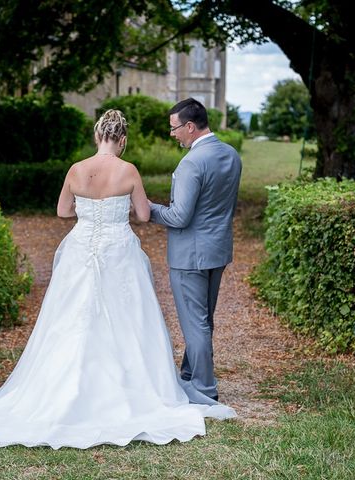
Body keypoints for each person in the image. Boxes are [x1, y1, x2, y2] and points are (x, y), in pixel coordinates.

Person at [0, 109, 236, 450]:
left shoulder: (76, 170)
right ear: (121, 139)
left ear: (98, 137)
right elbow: (143, 215)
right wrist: (119, 208)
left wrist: (90, 209)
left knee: (71, 317)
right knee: (127, 319)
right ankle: (129, 389)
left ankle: (62, 389)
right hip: (118, 252)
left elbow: (63, 211)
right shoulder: (128, 171)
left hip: (80, 249)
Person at [149, 98, 242, 402]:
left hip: (190, 255)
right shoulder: (231, 155)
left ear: (190, 126)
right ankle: (189, 374)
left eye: (174, 128)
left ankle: (204, 388)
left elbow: (179, 216)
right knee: (203, 319)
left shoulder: (191, 162)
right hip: (218, 250)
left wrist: (147, 208)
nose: (172, 134)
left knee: (196, 323)